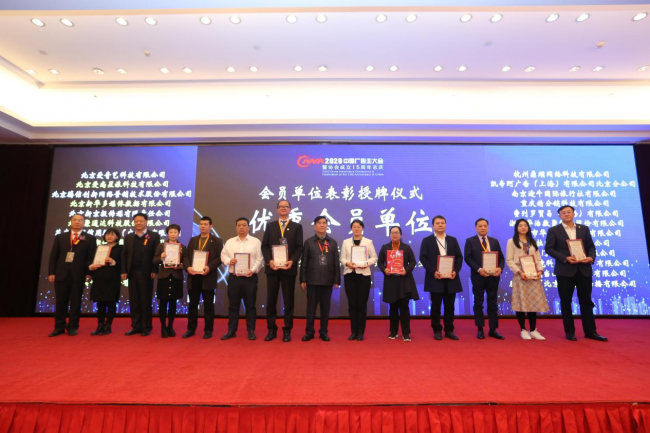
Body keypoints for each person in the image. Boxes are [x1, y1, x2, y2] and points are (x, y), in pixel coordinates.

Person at [545, 205, 607, 342]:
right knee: (566, 302)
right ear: (559, 215)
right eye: (563, 213)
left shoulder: (584, 229)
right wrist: (565, 258)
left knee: (586, 301)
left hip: (584, 270)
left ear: (574, 214)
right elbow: (549, 248)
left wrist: (591, 257)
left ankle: (591, 332)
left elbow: (591, 247)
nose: (567, 214)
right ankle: (570, 332)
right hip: (565, 270)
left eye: (569, 212)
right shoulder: (554, 230)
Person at [47, 214, 97, 336]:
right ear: (71, 221)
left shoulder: (89, 238)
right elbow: (54, 256)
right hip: (61, 274)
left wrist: (88, 273)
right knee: (60, 302)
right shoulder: (60, 237)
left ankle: (73, 327)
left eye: (80, 220)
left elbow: (91, 257)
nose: (77, 222)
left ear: (84, 223)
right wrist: (51, 272)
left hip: (78, 275)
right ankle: (59, 327)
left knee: (75, 302)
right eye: (75, 220)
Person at [261, 200, 303, 342]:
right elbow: (264, 246)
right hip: (272, 269)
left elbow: (299, 247)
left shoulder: (297, 227)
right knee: (271, 300)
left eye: (286, 206)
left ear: (290, 209)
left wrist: (292, 261)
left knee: (288, 300)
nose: (283, 208)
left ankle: (287, 330)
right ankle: (271, 330)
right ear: (277, 210)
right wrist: (269, 261)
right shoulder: (270, 226)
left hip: (288, 269)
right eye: (281, 206)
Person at [420, 215, 464, 340]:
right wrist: (433, 271)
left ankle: (449, 330)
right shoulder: (427, 240)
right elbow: (423, 258)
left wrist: (455, 271)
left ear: (445, 225)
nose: (440, 225)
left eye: (442, 223)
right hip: (435, 278)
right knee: (436, 306)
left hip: (451, 278)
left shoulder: (452, 240)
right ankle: (437, 330)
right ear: (432, 225)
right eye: (437, 223)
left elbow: (459, 257)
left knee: (450, 306)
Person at [220, 218, 264, 341]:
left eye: (244, 225)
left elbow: (260, 259)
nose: (241, 227)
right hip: (234, 278)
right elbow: (223, 255)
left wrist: (253, 270)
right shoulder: (230, 242)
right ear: (236, 227)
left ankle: (251, 331)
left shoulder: (255, 242)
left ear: (249, 227)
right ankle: (231, 331)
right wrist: (229, 261)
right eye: (239, 225)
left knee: (250, 306)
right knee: (233, 306)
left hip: (250, 278)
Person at [506, 219, 549, 340]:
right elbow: (509, 260)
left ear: (528, 228)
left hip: (533, 275)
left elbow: (538, 259)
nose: (523, 227)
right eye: (520, 225)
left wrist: (540, 270)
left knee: (533, 303)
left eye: (525, 225)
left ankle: (533, 329)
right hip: (520, 275)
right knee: (521, 302)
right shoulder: (511, 241)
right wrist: (519, 272)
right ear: (516, 228)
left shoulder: (532, 241)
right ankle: (523, 330)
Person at [182, 216, 224, 339]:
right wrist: (188, 267)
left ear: (211, 226)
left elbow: (219, 258)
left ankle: (208, 330)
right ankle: (191, 329)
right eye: (201, 224)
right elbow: (186, 256)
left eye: (205, 224)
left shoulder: (217, 241)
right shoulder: (193, 240)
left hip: (208, 277)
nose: (202, 226)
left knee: (209, 305)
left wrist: (209, 267)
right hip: (194, 276)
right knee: (192, 304)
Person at [300, 216, 340, 341]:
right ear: (314, 226)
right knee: (311, 308)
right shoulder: (309, 242)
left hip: (327, 281)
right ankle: (309, 332)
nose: (322, 225)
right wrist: (303, 279)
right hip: (312, 280)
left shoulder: (332, 242)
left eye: (324, 223)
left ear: (327, 225)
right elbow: (304, 262)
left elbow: (336, 263)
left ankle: (323, 332)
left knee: (325, 308)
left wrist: (336, 280)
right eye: (319, 223)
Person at [463, 218, 505, 340]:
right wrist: (479, 269)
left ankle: (493, 329)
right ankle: (480, 329)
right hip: (478, 277)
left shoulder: (494, 241)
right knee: (478, 303)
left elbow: (501, 258)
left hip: (493, 277)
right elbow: (468, 258)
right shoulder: (470, 241)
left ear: (488, 227)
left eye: (485, 226)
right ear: (475, 228)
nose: (483, 228)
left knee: (493, 303)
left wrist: (500, 268)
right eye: (480, 226)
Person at [121, 213, 161, 337]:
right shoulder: (129, 237)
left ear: (146, 222)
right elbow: (124, 255)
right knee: (134, 300)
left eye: (141, 221)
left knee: (145, 300)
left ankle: (146, 326)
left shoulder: (153, 236)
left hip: (147, 273)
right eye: (136, 221)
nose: (138, 223)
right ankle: (136, 326)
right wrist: (124, 271)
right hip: (132, 272)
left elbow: (156, 255)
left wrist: (154, 270)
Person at [377, 226, 419, 342]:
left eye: (396, 232)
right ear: (390, 235)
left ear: (400, 234)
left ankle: (406, 333)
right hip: (391, 281)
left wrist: (406, 270)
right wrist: (384, 269)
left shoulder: (406, 247)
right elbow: (380, 262)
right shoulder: (385, 247)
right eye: (392, 233)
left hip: (403, 281)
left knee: (404, 308)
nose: (394, 235)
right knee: (393, 308)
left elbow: (413, 262)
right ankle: (393, 331)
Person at [339, 219, 378, 341]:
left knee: (362, 304)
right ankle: (353, 331)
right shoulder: (346, 242)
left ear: (362, 228)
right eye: (354, 227)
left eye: (359, 226)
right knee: (352, 304)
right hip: (350, 275)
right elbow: (342, 258)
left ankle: (361, 332)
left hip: (363, 276)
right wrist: (347, 263)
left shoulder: (368, 242)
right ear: (351, 229)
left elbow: (374, 258)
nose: (356, 229)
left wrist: (366, 263)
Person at [152, 224, 185, 338]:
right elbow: (154, 261)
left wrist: (181, 266)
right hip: (164, 277)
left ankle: (170, 326)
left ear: (179, 234)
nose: (173, 234)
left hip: (176, 277)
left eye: (175, 232)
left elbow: (185, 262)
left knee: (173, 304)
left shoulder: (182, 247)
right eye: (171, 232)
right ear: (167, 234)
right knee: (163, 303)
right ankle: (163, 327)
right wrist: (161, 257)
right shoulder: (161, 246)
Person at [89, 228, 122, 336]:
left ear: (117, 237)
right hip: (99, 277)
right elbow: (91, 260)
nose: (109, 236)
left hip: (112, 278)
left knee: (111, 302)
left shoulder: (121, 248)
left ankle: (108, 325)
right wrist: (91, 267)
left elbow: (124, 263)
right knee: (100, 303)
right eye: (107, 234)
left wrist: (113, 261)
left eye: (112, 235)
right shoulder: (100, 248)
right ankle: (100, 325)